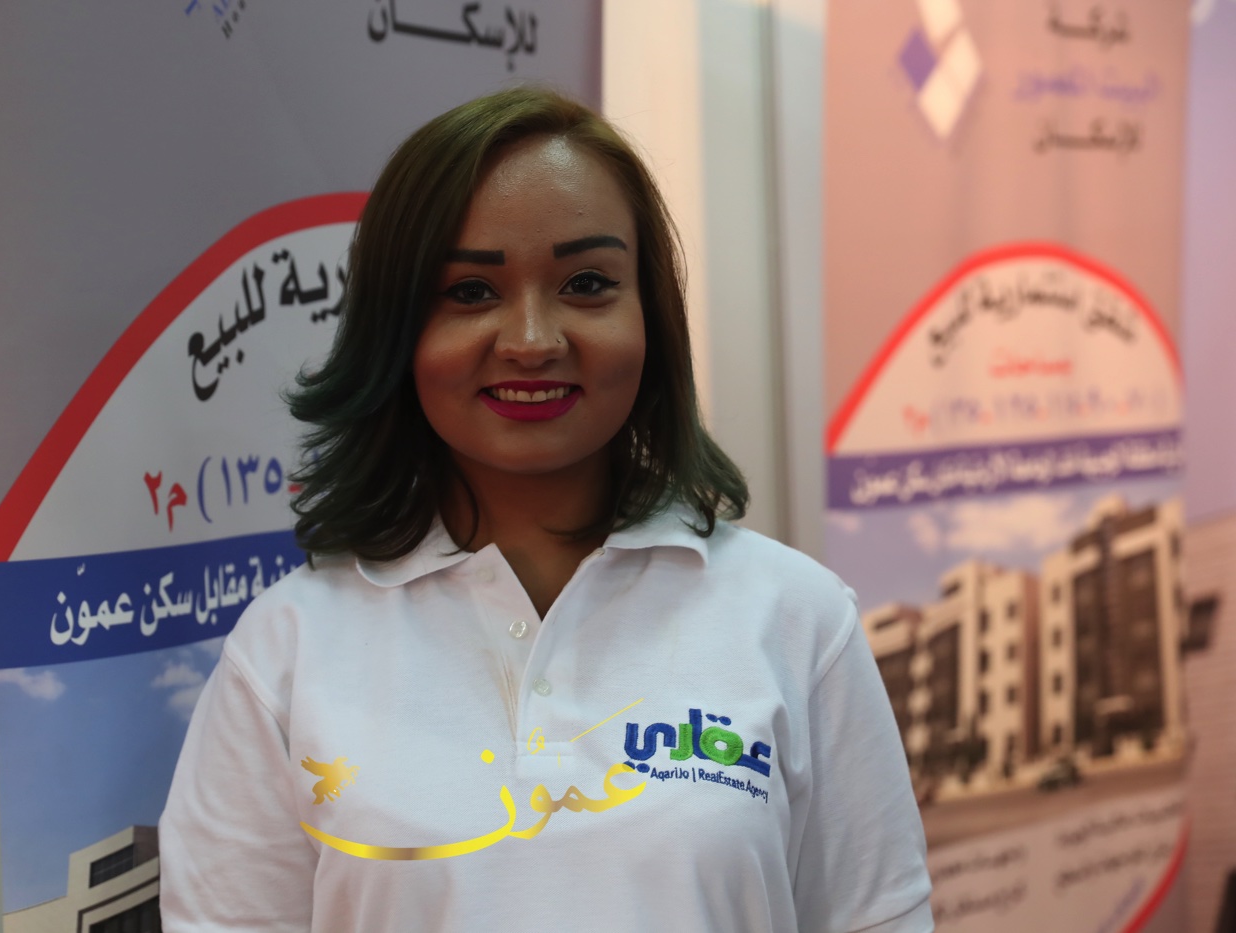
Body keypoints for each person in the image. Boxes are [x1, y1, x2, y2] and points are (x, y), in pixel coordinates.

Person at [160, 85, 933, 932]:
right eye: (469, 291)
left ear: (651, 317)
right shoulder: (286, 651)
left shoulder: (796, 619)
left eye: (587, 282)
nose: (532, 339)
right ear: (396, 329)